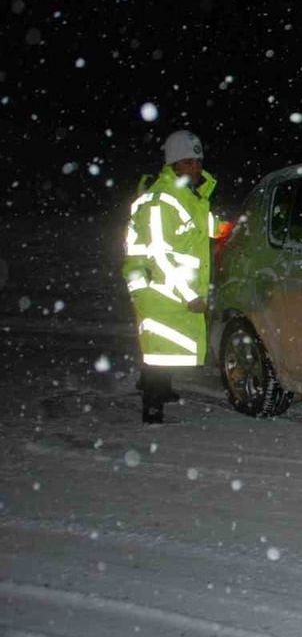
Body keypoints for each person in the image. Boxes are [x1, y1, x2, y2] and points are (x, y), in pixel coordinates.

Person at [121, 130, 222, 424]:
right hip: (157, 286)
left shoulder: (188, 197)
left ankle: (160, 390)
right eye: (189, 162)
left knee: (164, 346)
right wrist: (189, 294)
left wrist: (234, 229)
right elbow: (159, 253)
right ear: (175, 164)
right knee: (158, 350)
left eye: (198, 162)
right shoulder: (160, 200)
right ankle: (152, 408)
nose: (196, 168)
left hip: (170, 285)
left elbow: (206, 228)